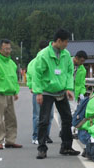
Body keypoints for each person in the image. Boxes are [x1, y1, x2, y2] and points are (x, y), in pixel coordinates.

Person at [32, 28, 80, 159]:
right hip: (47, 91)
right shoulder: (43, 55)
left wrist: (69, 88)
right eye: (65, 42)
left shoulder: (66, 54)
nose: (67, 45)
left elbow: (69, 73)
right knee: (44, 120)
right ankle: (42, 148)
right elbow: (37, 75)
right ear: (58, 41)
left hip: (61, 91)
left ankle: (66, 146)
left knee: (67, 118)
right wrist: (38, 92)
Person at [26, 40, 54, 145]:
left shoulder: (51, 61)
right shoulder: (34, 61)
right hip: (38, 91)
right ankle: (36, 136)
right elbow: (29, 75)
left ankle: (46, 135)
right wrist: (31, 86)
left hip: (49, 91)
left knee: (49, 115)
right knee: (38, 115)